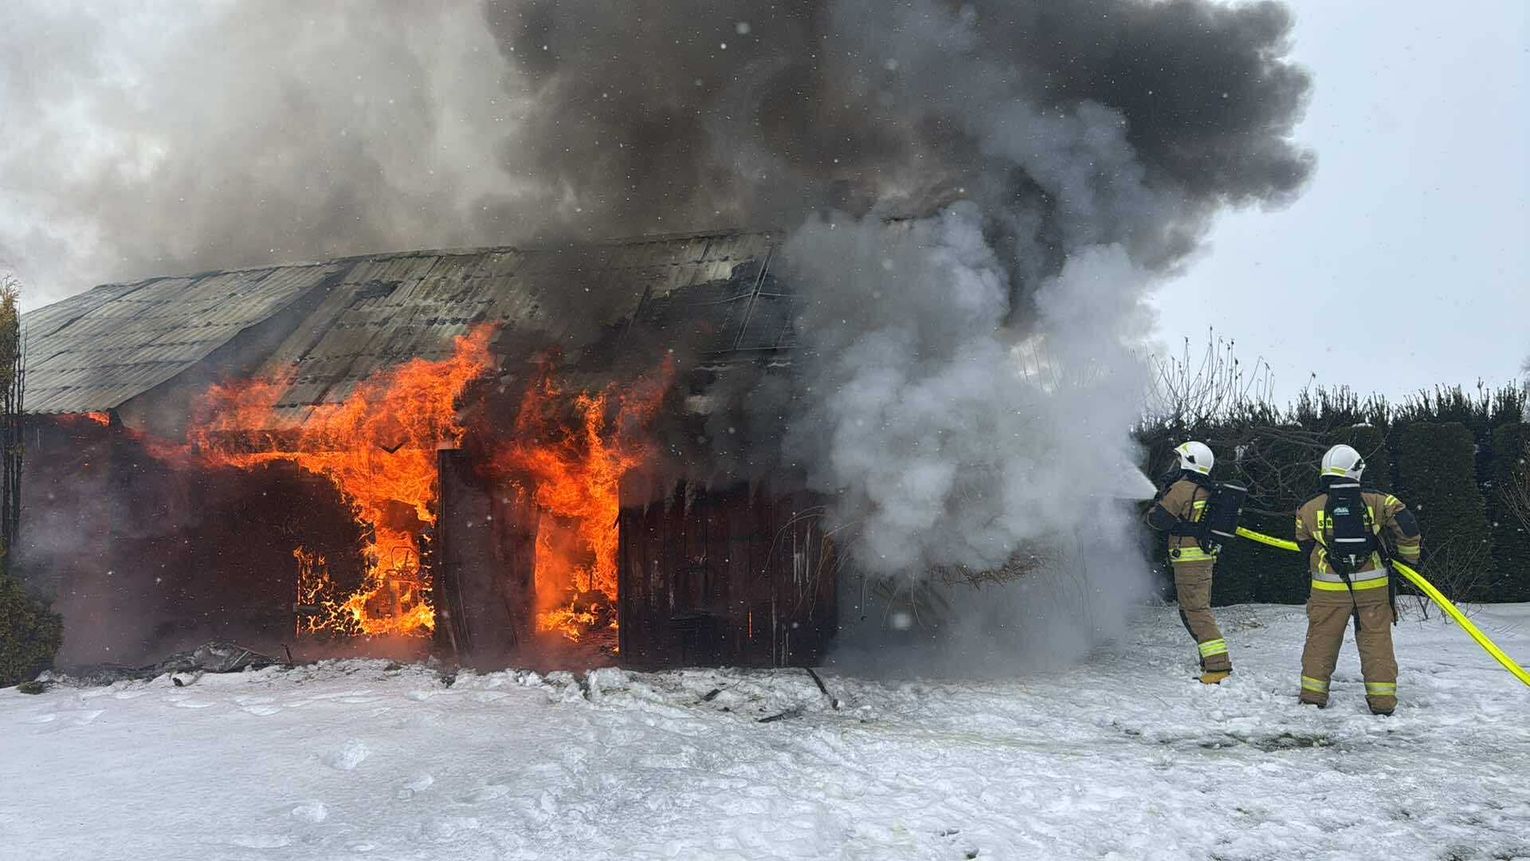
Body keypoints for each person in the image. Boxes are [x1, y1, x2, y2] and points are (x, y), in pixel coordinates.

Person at [1293, 444, 1422, 715]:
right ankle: (1382, 702)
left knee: (1321, 642)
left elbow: (1303, 543)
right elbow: (1408, 528)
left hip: (1328, 589)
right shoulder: (1379, 501)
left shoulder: (1308, 507)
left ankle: (1313, 696)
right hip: (1373, 588)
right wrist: (1408, 561)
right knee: (1376, 643)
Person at [1146, 441, 1232, 684]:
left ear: (1188, 462)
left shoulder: (1183, 488)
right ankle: (1210, 659)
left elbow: (1158, 520)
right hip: (1201, 558)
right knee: (1193, 610)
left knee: (1196, 611)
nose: (1175, 465)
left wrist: (1158, 501)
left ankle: (1218, 666)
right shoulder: (1203, 488)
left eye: (1179, 460)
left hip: (1189, 559)